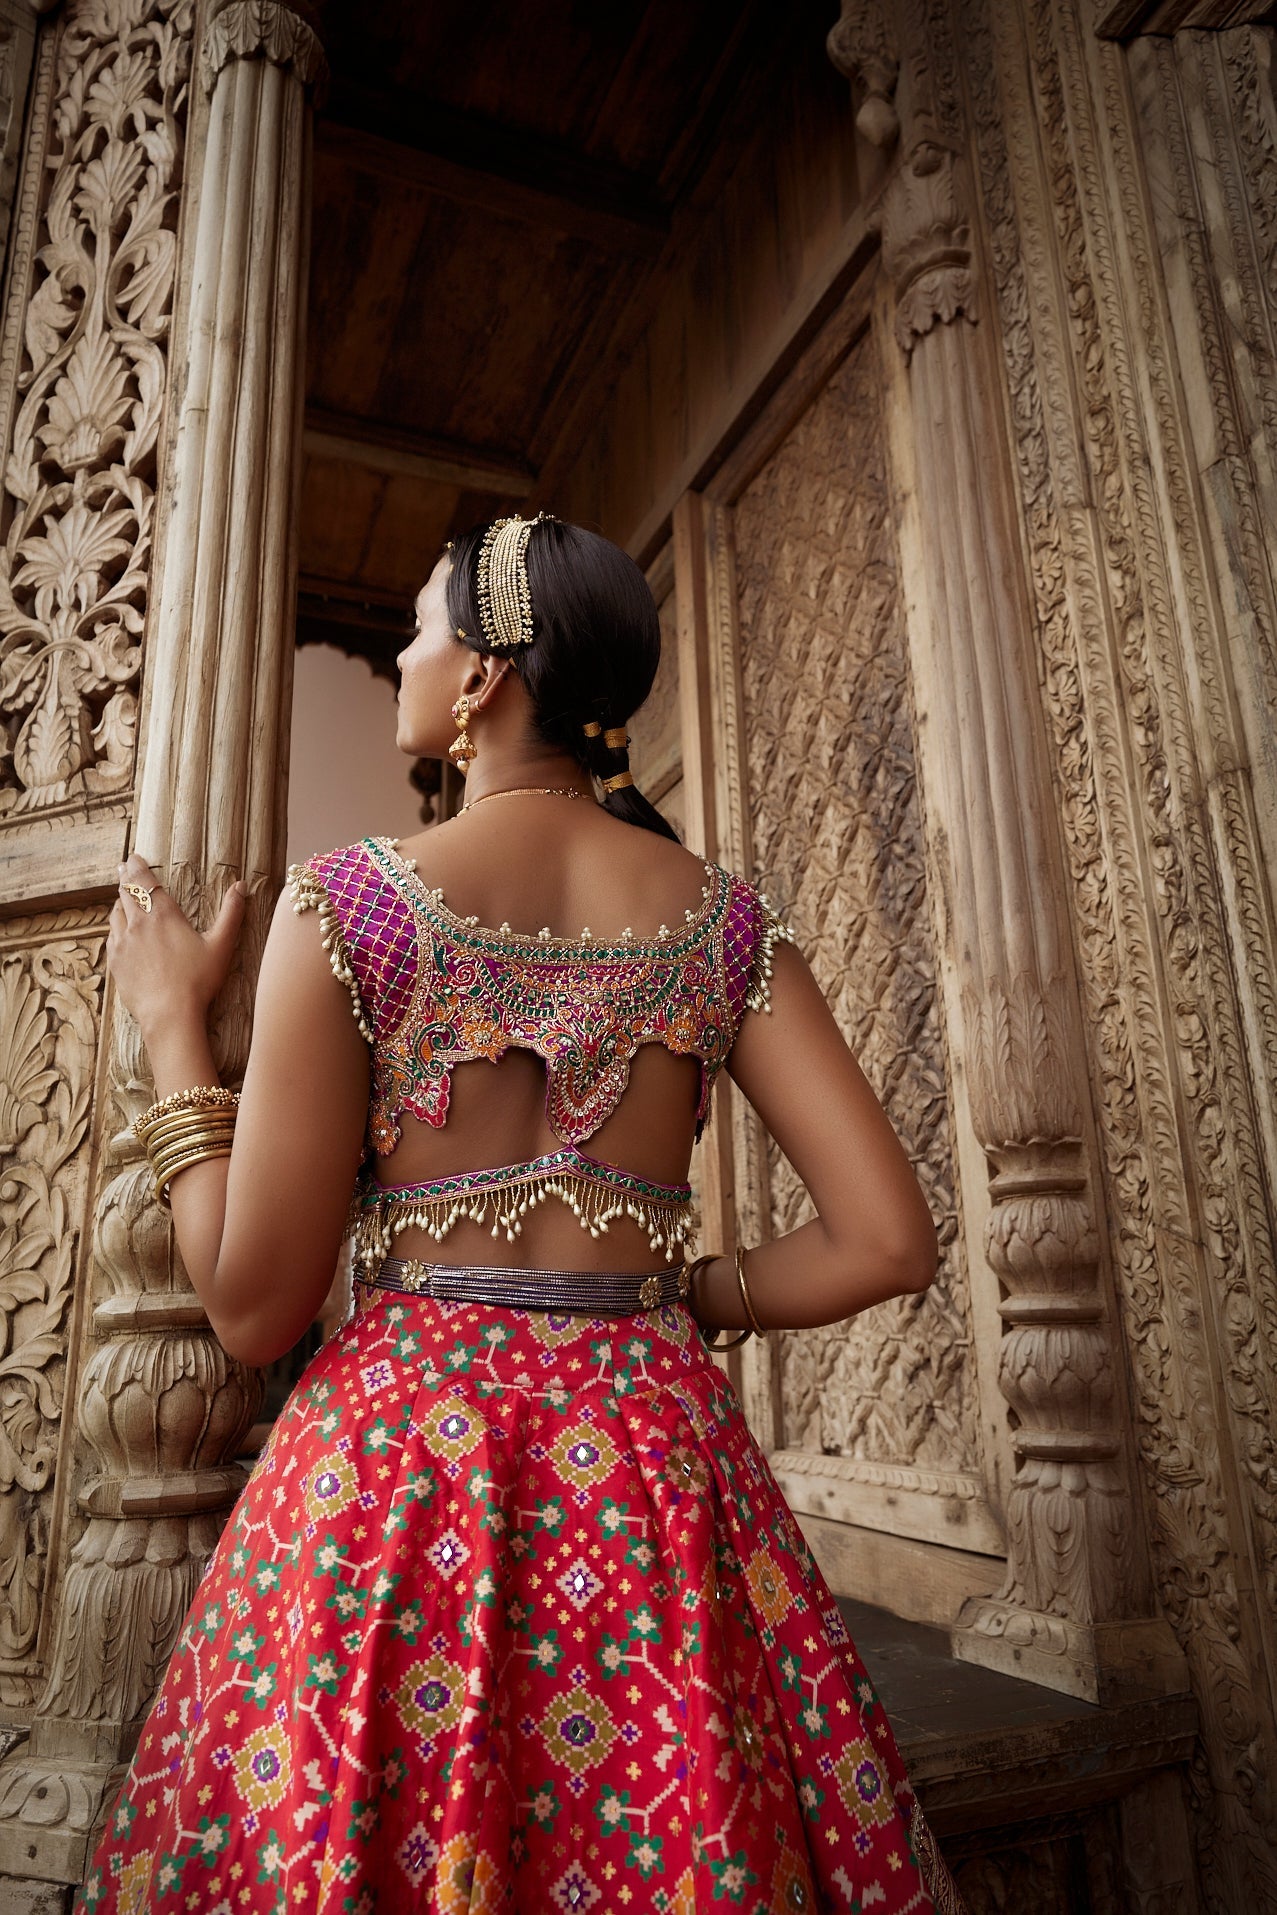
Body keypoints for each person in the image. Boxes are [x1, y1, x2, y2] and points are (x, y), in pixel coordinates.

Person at [77, 515, 964, 1913]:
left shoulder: (353, 909)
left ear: (487, 674)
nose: (406, 654)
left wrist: (173, 1032)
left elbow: (251, 1309)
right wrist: (693, 1299)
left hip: (396, 1481)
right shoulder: (721, 924)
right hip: (656, 1469)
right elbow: (886, 1240)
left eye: (423, 627)